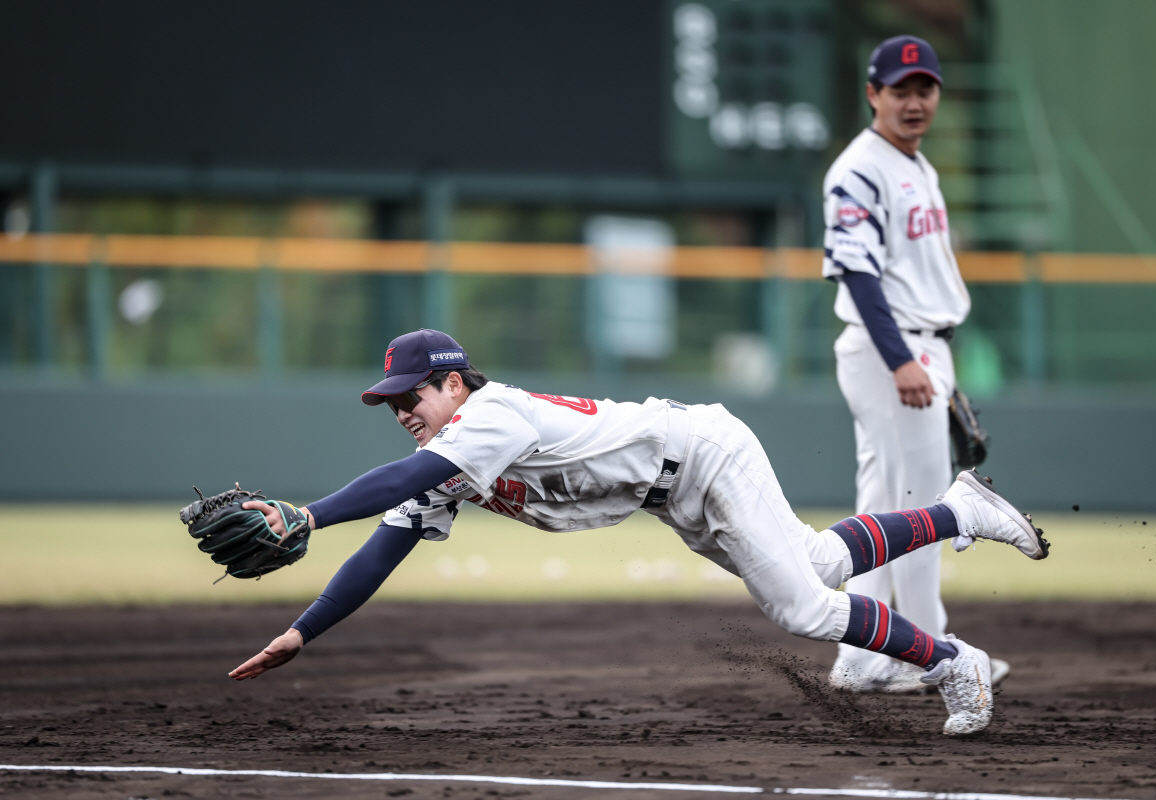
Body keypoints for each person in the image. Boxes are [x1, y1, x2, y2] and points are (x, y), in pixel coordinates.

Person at [229, 328, 1048, 736]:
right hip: (674, 490)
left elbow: (398, 485)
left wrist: (306, 516)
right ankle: (962, 509)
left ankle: (952, 662)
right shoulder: (450, 454)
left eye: (412, 395)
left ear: (452, 383)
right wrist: (303, 632)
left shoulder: (488, 417)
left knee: (801, 607)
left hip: (701, 454)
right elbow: (389, 541)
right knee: (818, 562)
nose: (402, 410)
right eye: (392, 402)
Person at [820, 35, 1000, 694]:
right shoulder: (858, 170)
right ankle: (935, 652)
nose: (914, 101)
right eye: (900, 90)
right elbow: (858, 273)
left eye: (924, 89)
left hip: (921, 347)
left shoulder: (915, 165)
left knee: (884, 506)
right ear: (874, 95)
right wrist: (903, 359)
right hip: (894, 348)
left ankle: (866, 654)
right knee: (924, 508)